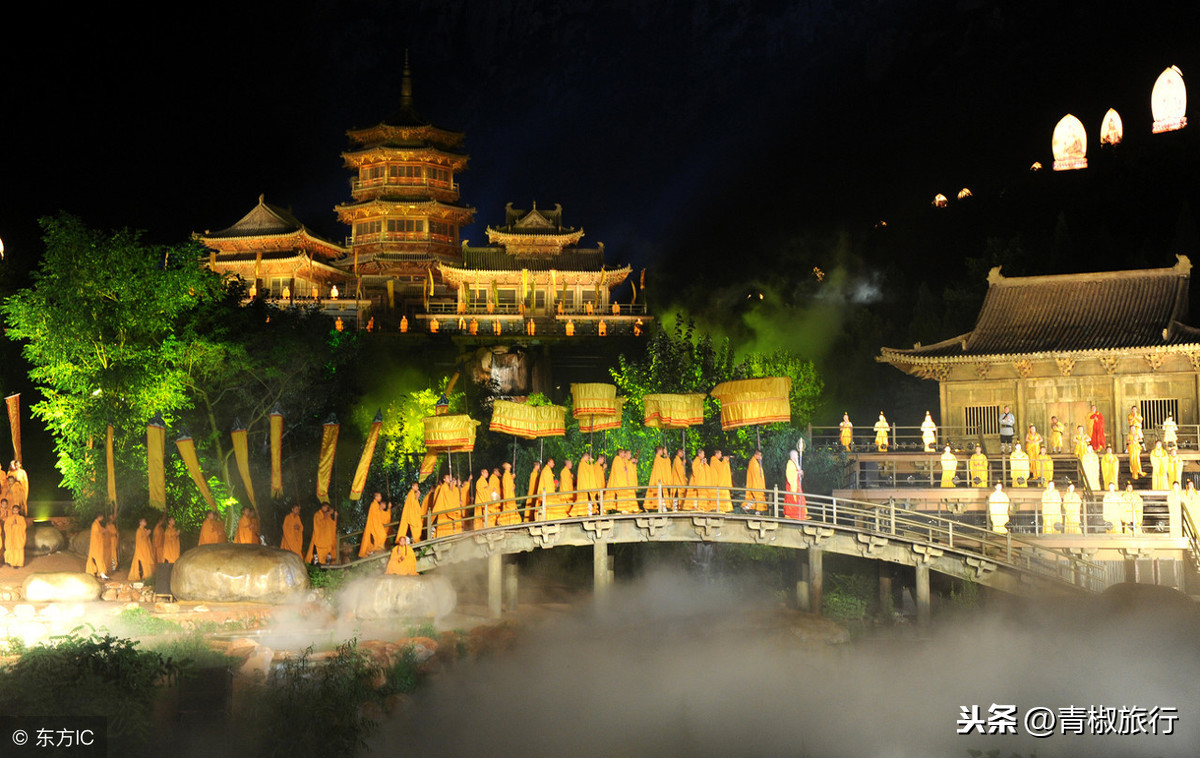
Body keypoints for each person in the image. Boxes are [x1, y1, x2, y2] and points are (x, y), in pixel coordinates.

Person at [359, 493, 391, 557]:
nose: (380, 498)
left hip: (377, 525)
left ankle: (376, 550)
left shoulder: (377, 505)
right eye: (379, 496)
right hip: (373, 525)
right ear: (375, 497)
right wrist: (380, 508)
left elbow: (384, 518)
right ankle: (373, 550)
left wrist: (388, 509)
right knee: (381, 536)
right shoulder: (373, 504)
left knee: (383, 535)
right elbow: (374, 515)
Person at [128, 517, 154, 581]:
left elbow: (147, 541)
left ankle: (147, 576)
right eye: (143, 521)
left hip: (146, 549)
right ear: (140, 523)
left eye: (145, 521)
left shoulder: (145, 530)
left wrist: (147, 534)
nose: (145, 522)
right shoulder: (139, 531)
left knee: (147, 562)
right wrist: (146, 534)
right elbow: (140, 541)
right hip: (140, 550)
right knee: (141, 563)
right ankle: (142, 576)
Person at [645, 447, 670, 511]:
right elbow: (667, 461)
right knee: (660, 493)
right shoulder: (657, 459)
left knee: (661, 493)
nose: (662, 452)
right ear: (659, 451)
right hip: (658, 479)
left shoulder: (659, 459)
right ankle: (660, 506)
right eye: (662, 451)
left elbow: (666, 462)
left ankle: (663, 506)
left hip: (659, 479)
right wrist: (666, 454)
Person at [783, 449, 806, 519]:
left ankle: (801, 514)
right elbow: (789, 474)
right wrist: (798, 473)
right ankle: (792, 514)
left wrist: (801, 473)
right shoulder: (790, 463)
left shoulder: (795, 463)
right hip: (792, 486)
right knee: (792, 499)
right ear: (793, 456)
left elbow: (800, 474)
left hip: (797, 485)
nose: (798, 457)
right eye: (797, 455)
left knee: (800, 498)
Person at [85, 513, 109, 579]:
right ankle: (101, 573)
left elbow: (101, 530)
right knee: (98, 559)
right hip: (95, 545)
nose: (102, 519)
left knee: (97, 559)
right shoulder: (95, 524)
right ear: (99, 517)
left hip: (98, 545)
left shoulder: (97, 524)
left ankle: (97, 572)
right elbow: (97, 534)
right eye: (102, 517)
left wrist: (105, 530)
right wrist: (104, 531)